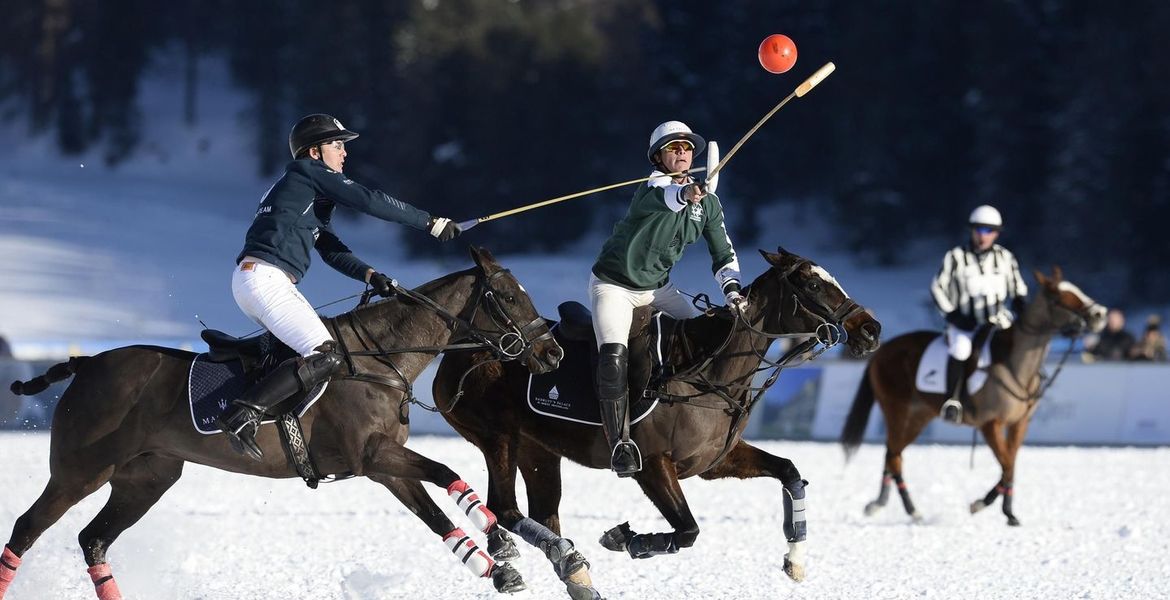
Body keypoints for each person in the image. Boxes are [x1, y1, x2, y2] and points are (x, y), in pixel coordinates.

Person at [217, 114, 462, 460]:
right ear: (314, 152)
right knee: (324, 354)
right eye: (337, 145)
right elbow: (369, 200)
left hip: (256, 280)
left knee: (304, 357)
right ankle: (242, 416)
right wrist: (430, 223)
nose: (344, 153)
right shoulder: (308, 173)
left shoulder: (303, 189)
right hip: (264, 279)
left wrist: (369, 275)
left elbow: (329, 247)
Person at [589, 120, 744, 476]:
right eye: (675, 148)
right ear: (658, 156)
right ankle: (620, 443)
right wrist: (686, 194)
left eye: (688, 148)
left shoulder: (708, 203)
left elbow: (723, 253)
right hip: (614, 285)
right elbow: (667, 199)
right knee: (613, 357)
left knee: (702, 341)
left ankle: (700, 425)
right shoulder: (650, 189)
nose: (683, 153)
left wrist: (732, 290)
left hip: (657, 288)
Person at [930, 205, 1028, 424]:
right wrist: (952, 315)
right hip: (965, 324)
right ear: (972, 230)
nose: (983, 235)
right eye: (979, 230)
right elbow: (937, 288)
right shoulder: (955, 257)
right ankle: (953, 401)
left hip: (998, 321)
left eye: (989, 230)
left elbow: (1018, 288)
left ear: (996, 233)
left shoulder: (1005, 257)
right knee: (961, 349)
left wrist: (1020, 303)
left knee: (1019, 348)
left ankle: (1024, 397)